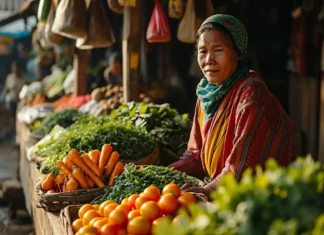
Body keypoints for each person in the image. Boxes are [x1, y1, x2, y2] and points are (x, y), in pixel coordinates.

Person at [170, 14, 293, 197]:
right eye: (203, 51)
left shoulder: (251, 95)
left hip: (260, 198)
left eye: (218, 50)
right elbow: (195, 155)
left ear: (238, 52)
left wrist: (207, 190)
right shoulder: (206, 92)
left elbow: (240, 168)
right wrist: (164, 173)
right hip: (223, 190)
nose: (209, 59)